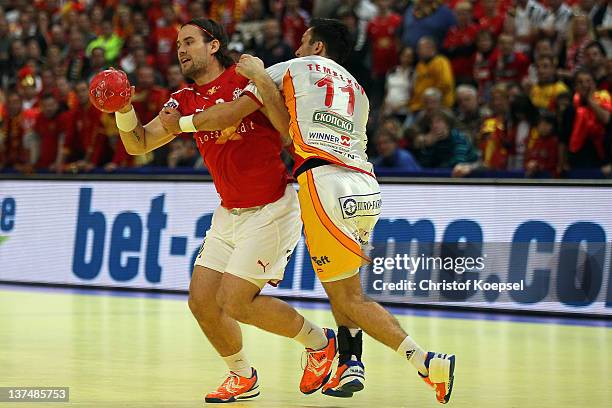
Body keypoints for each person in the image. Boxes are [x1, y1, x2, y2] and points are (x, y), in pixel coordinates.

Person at [161, 18, 456, 404]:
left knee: (348, 298)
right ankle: (351, 363)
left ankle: (427, 361)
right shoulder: (359, 90)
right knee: (346, 289)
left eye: (303, 43)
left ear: (317, 48)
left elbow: (285, 132)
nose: (297, 49)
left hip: (324, 183)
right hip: (365, 187)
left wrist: (258, 79)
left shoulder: (291, 68)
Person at [102, 18, 336, 403]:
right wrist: (123, 109)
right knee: (202, 302)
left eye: (189, 41)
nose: (181, 49)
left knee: (235, 300)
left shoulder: (247, 78)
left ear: (213, 46)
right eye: (178, 43)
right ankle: (242, 375)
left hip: (273, 205)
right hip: (229, 212)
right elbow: (138, 144)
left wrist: (181, 124)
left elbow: (226, 116)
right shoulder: (183, 99)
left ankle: (320, 342)